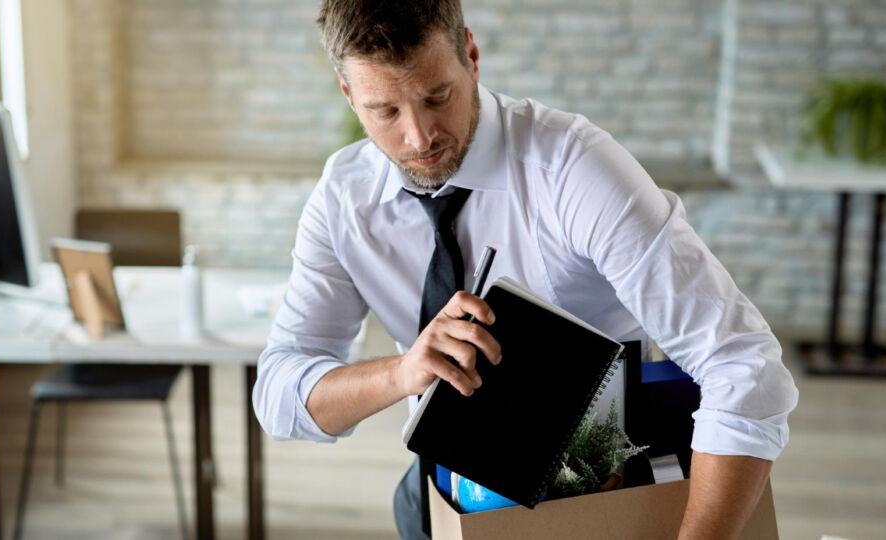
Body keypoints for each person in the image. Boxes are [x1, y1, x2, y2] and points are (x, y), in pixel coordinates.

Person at [252, 1, 799, 538]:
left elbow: (743, 365)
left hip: (601, 492)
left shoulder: (574, 169)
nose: (419, 138)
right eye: (385, 111)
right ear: (349, 94)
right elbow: (277, 394)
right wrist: (401, 374)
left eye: (436, 96)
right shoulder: (344, 198)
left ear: (470, 54)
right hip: (439, 494)